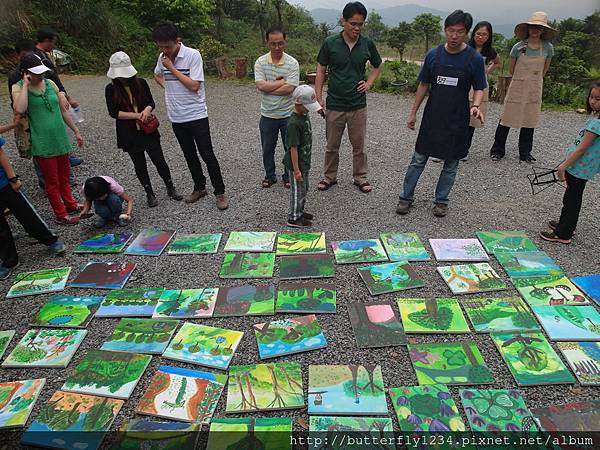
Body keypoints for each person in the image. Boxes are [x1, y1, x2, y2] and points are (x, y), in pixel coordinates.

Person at [396, 10, 486, 218]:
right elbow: (423, 85)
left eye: (460, 32)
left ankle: (441, 201)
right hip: (433, 117)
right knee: (418, 159)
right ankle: (406, 197)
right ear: (445, 30)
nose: (454, 36)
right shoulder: (434, 55)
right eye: (450, 31)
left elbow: (479, 87)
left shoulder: (474, 59)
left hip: (457, 119)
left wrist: (476, 105)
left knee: (451, 163)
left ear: (467, 33)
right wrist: (413, 113)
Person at [152, 22, 228, 210]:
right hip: (176, 117)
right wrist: (169, 88)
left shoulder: (192, 55)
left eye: (168, 47)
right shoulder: (162, 57)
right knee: (189, 154)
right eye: (160, 47)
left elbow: (194, 85)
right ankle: (199, 187)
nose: (165, 51)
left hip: (196, 115)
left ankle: (220, 192)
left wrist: (171, 68)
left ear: (177, 41)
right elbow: (157, 75)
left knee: (207, 154)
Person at [315, 1, 382, 193]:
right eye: (353, 23)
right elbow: (321, 70)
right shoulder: (330, 43)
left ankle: (360, 177)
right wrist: (318, 97)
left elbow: (378, 65)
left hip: (358, 104)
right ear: (343, 21)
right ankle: (329, 177)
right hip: (335, 103)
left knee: (359, 146)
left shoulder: (367, 43)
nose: (357, 28)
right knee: (331, 145)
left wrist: (369, 83)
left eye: (360, 24)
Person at [12, 54, 83, 225]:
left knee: (65, 176)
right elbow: (19, 108)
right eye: (36, 73)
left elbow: (63, 111)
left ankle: (70, 204)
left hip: (59, 137)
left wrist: (76, 130)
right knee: (52, 182)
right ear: (25, 73)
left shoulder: (50, 83)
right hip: (41, 141)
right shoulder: (18, 87)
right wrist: (26, 85)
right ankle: (60, 214)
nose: (40, 75)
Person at [105, 51, 182, 207]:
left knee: (159, 160)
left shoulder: (141, 83)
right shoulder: (110, 89)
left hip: (148, 130)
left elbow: (151, 102)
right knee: (139, 165)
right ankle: (149, 192)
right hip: (129, 133)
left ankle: (170, 186)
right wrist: (136, 116)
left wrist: (146, 110)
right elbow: (114, 113)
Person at [0, 127, 66, 280]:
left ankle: (50, 240)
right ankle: (9, 261)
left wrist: (12, 178)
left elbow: (1, 154)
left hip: (4, 184)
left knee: (27, 214)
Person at [489, 12, 556, 162]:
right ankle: (497, 150)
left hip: (534, 87)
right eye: (533, 26)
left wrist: (534, 79)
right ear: (528, 28)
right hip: (517, 86)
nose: (535, 30)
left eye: (539, 27)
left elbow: (544, 70)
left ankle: (525, 153)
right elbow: (512, 69)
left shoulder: (548, 48)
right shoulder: (518, 47)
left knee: (530, 119)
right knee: (506, 118)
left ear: (543, 30)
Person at [540, 82, 600, 244]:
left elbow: (581, 150)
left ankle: (564, 233)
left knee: (572, 199)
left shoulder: (597, 123)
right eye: (591, 97)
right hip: (580, 166)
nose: (593, 101)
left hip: (579, 167)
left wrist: (563, 166)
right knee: (571, 197)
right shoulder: (595, 117)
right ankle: (566, 225)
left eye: (598, 99)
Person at [255, 26, 300, 189]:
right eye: (273, 44)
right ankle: (269, 175)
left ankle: (288, 175)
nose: (277, 47)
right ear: (267, 43)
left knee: (290, 148)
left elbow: (291, 88)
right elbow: (260, 85)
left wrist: (269, 87)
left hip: (288, 114)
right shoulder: (260, 62)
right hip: (267, 114)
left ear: (285, 43)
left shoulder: (292, 62)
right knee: (267, 148)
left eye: (280, 43)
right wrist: (281, 82)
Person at [34, 27, 83, 167]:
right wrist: (66, 97)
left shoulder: (41, 55)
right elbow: (53, 80)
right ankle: (63, 157)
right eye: (53, 42)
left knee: (58, 124)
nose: (54, 45)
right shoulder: (40, 57)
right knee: (57, 124)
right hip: (50, 95)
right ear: (47, 40)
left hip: (53, 93)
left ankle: (64, 155)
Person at [284, 85, 322, 228]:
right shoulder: (293, 123)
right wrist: (296, 170)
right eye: (307, 106)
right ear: (298, 103)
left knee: (304, 188)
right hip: (296, 165)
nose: (309, 109)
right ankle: (293, 217)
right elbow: (292, 148)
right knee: (297, 191)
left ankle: (299, 211)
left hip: (304, 161)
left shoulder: (304, 115)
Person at [464, 21, 500, 161]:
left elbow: (497, 62)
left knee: (471, 121)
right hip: (464, 85)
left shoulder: (490, 52)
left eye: (484, 34)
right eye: (478, 34)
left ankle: (463, 150)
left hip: (480, 87)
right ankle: (446, 150)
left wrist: (486, 71)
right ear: (473, 34)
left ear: (489, 36)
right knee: (456, 118)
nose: (480, 37)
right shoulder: (465, 47)